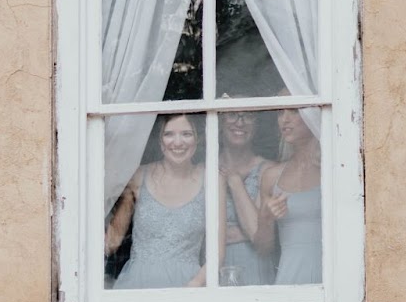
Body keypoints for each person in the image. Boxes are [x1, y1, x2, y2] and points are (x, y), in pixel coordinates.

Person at [106, 113, 210, 289]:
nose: (178, 142)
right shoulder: (139, 175)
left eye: (186, 134)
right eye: (169, 134)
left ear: (197, 139)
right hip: (138, 284)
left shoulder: (210, 178)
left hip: (189, 285)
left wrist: (195, 285)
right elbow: (113, 240)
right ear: (160, 141)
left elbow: (217, 252)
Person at [255, 107, 323, 285]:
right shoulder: (271, 176)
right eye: (280, 112)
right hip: (290, 277)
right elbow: (263, 249)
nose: (284, 119)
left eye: (294, 110)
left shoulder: (333, 170)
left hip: (332, 279)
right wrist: (266, 218)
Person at [218, 108, 274, 285]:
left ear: (257, 125)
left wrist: (235, 182)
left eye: (248, 116)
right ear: (219, 121)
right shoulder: (203, 168)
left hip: (255, 263)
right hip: (213, 266)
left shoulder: (268, 170)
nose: (239, 122)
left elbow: (260, 238)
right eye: (232, 114)